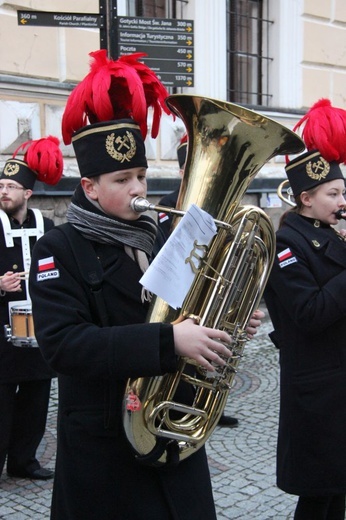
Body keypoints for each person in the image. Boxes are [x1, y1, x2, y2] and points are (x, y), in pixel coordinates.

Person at [29, 50, 263, 519]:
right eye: (122, 179)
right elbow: (64, 346)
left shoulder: (159, 237)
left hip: (172, 438)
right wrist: (170, 339)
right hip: (105, 450)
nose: (138, 188)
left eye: (140, 175)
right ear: (90, 186)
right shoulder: (58, 247)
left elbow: (185, 309)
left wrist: (224, 323)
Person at [264, 142, 346, 517]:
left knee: (337, 489)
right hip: (317, 387)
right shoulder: (287, 243)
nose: (342, 200)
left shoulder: (329, 233)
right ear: (306, 198)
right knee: (318, 495)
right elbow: (310, 312)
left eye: (343, 192)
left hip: (337, 380)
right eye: (333, 193)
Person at [157, 135, 239, 428]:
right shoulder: (168, 205)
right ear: (182, 172)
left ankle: (209, 405)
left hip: (211, 286)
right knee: (184, 350)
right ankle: (180, 404)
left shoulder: (220, 205)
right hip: (182, 288)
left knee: (216, 347)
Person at [0, 136, 63, 480]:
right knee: (2, 401)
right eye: (1, 185)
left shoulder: (47, 227)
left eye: (12, 186)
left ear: (27, 192)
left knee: (37, 397)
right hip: (1, 330)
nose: (4, 191)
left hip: (39, 326)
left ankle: (24, 462)